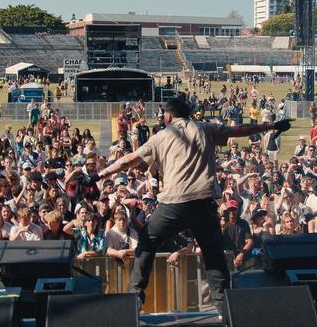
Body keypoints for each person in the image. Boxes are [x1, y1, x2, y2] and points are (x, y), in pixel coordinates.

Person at [92, 98, 292, 310]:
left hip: (173, 204)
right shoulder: (205, 128)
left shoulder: (161, 136)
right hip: (204, 204)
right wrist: (272, 125)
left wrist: (99, 174)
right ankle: (225, 307)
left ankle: (134, 299)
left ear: (168, 116)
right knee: (213, 255)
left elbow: (129, 160)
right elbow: (240, 129)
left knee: (147, 243)